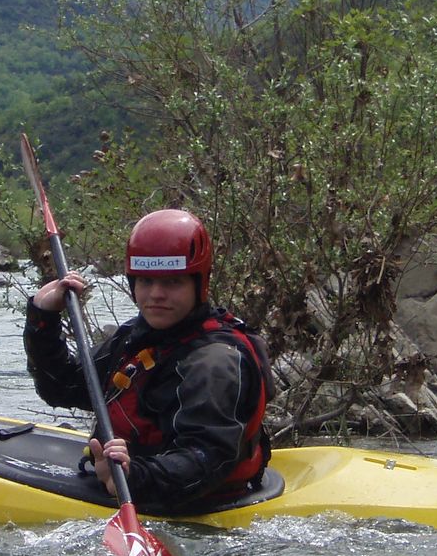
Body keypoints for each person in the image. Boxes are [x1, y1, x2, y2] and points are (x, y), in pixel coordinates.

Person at [24, 208, 273, 514]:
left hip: (199, 502)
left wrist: (135, 478)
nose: (156, 294)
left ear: (199, 284)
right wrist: (42, 318)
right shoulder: (138, 336)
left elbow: (206, 459)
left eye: (173, 283)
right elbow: (61, 388)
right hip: (135, 481)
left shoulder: (215, 363)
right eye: (146, 281)